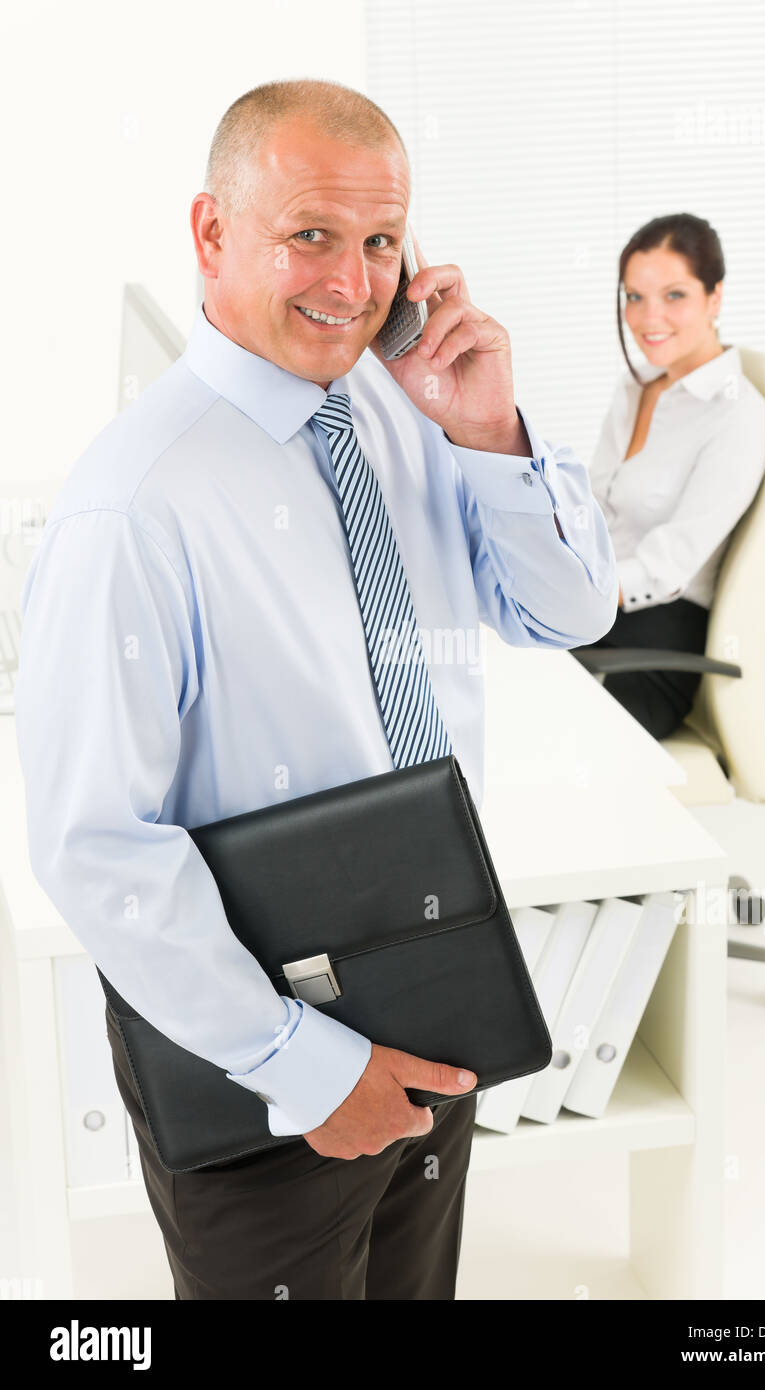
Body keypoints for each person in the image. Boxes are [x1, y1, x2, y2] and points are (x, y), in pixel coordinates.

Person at [13, 78, 618, 1300]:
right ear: (211, 233)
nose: (353, 284)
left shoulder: (406, 416)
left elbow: (568, 610)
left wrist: (489, 432)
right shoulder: (131, 507)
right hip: (262, 1048)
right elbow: (96, 848)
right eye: (311, 236)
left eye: (381, 242)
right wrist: (302, 1062)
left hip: (430, 984)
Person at [574, 213, 765, 739]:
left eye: (674, 295)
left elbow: (668, 570)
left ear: (715, 297)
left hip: (649, 646)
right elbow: (594, 504)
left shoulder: (738, 416)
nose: (647, 317)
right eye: (634, 297)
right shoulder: (635, 385)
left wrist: (570, 591)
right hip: (595, 614)